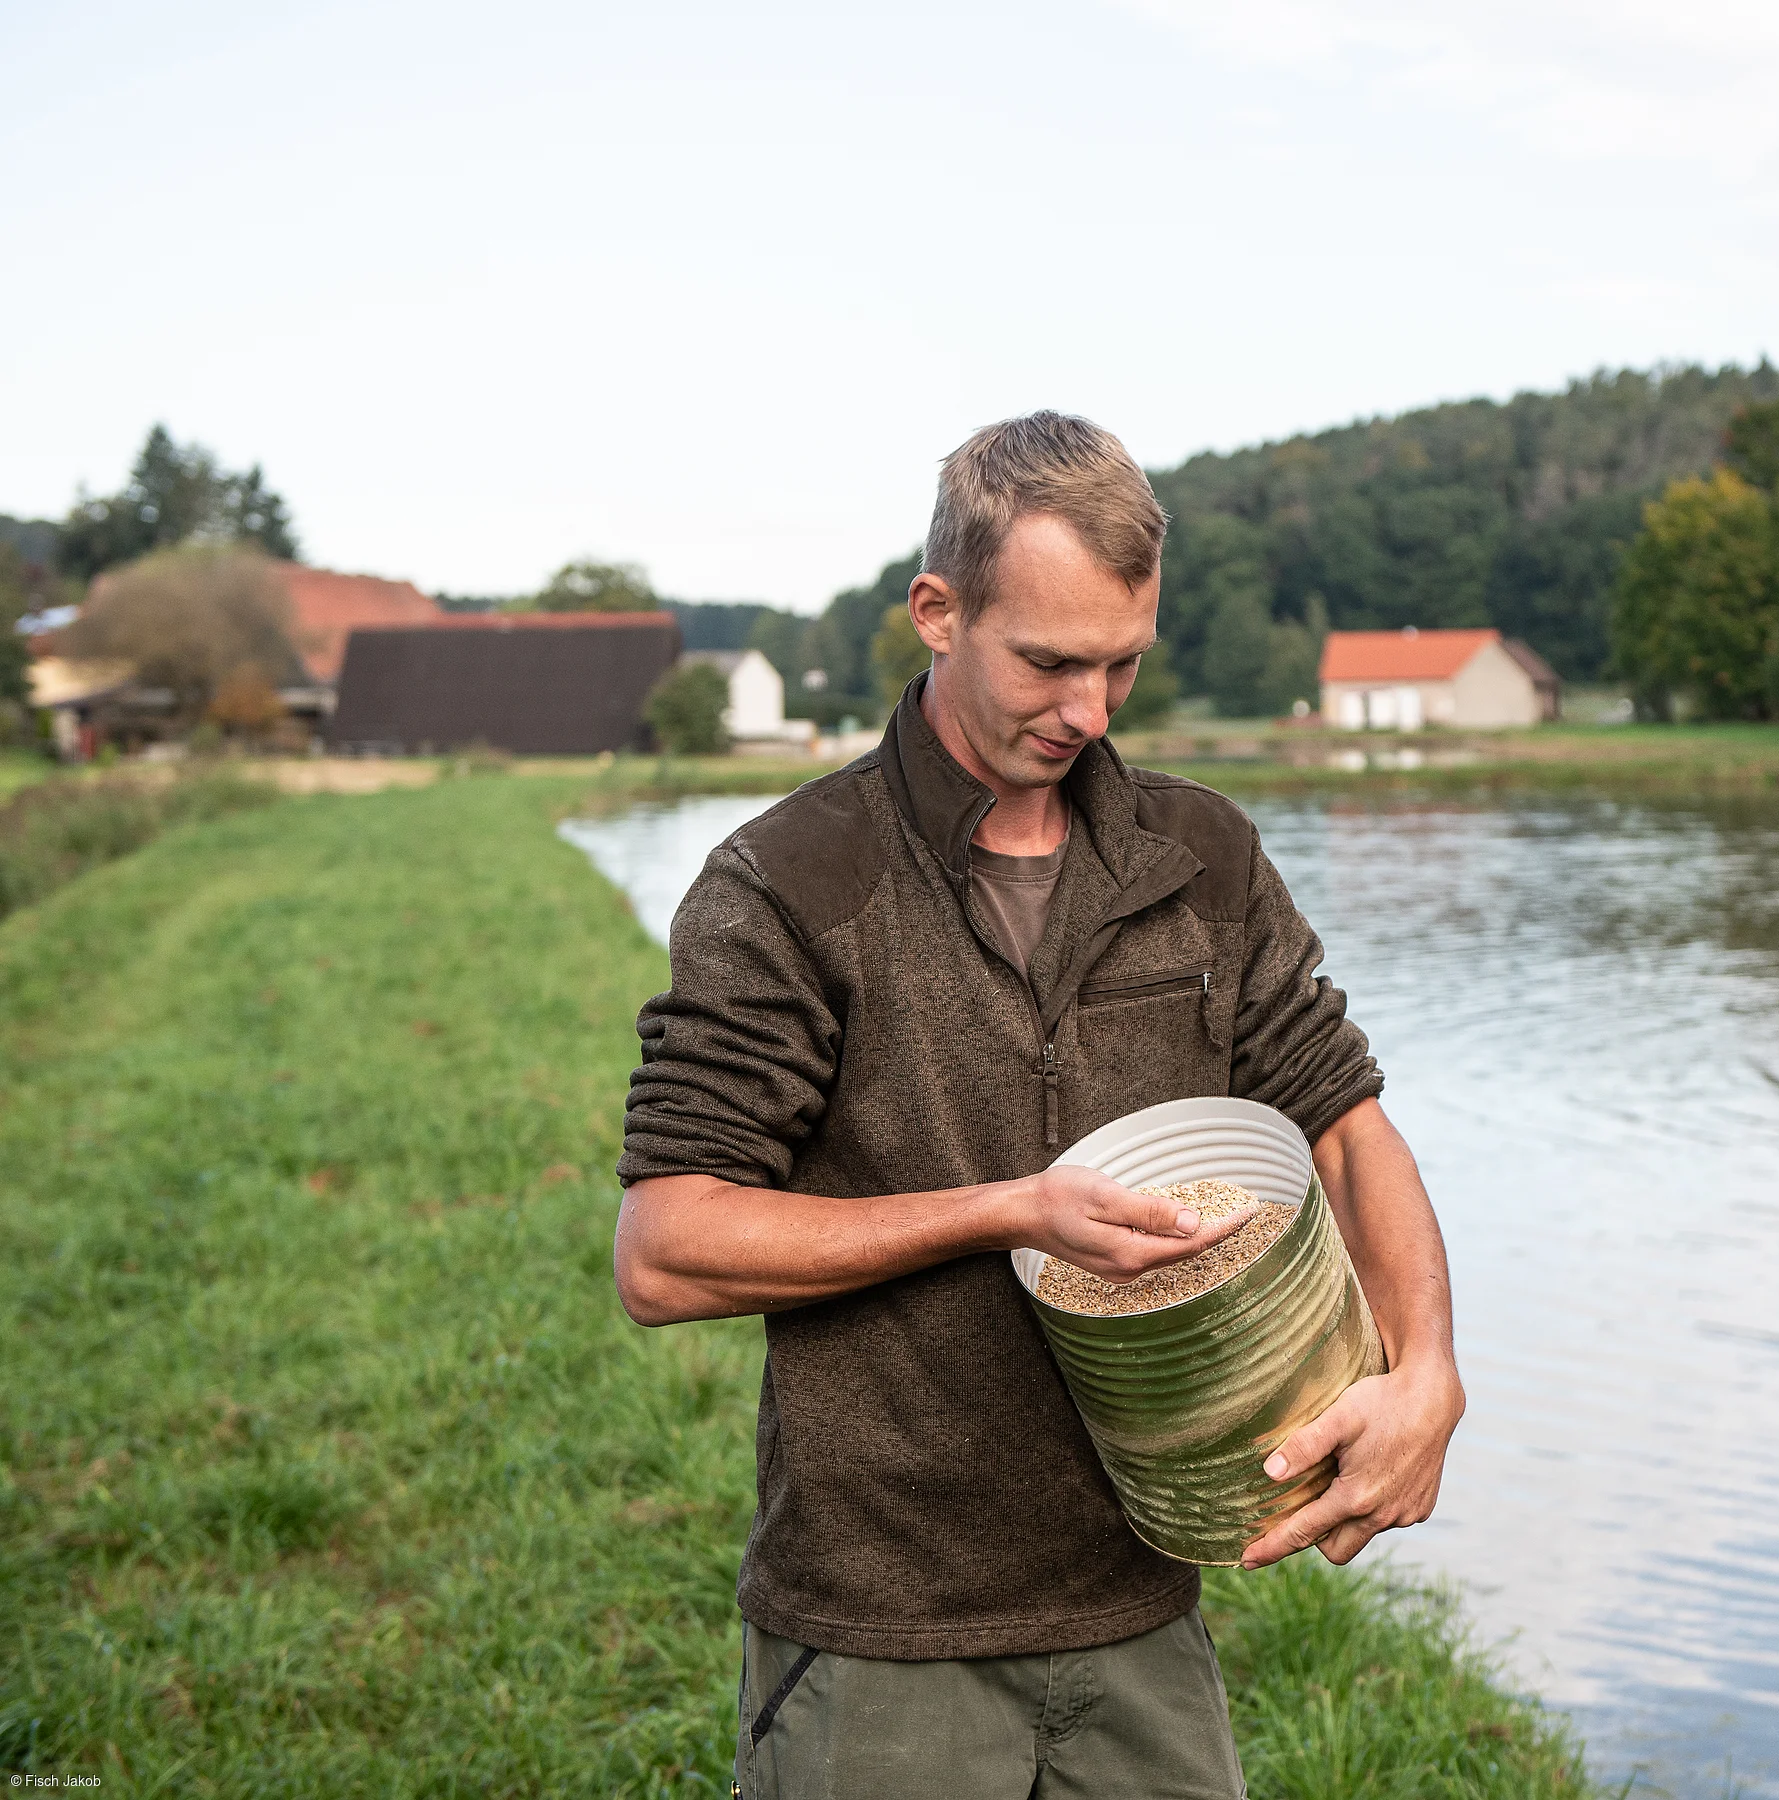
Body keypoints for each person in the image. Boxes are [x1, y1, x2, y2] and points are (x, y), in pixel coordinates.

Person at [614, 411, 1465, 1799]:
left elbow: (1346, 1126)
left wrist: (1425, 1368)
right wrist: (1007, 1210)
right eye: (1052, 663)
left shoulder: (1200, 854)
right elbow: (666, 1250)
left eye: (1122, 662)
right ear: (938, 614)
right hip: (884, 1628)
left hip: (1140, 1605)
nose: (1090, 712)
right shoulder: (788, 882)